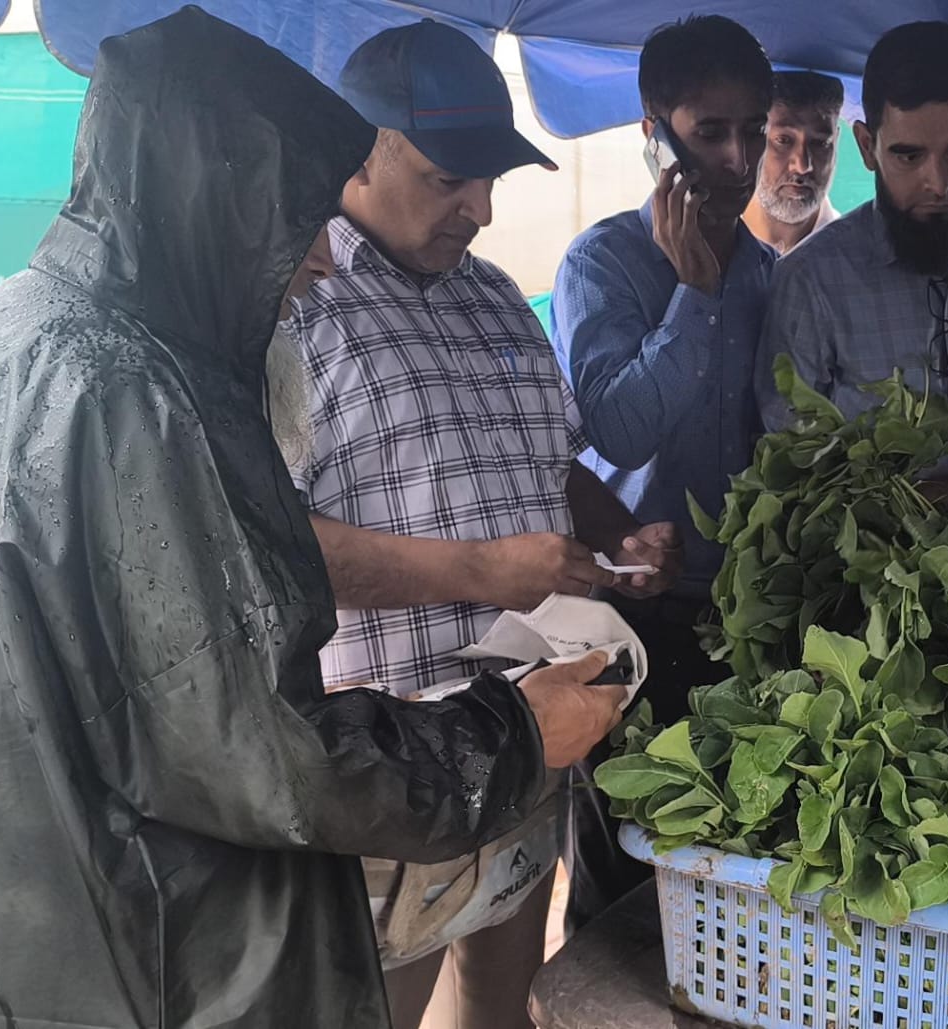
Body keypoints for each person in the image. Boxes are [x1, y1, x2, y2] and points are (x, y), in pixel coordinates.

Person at [0, 9, 626, 1029]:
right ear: (216, 201)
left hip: (69, 915)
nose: (320, 259)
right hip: (154, 936)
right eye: (297, 219)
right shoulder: (134, 395)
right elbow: (249, 745)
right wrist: (506, 733)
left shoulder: (12, 334)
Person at [288, 20, 681, 1029]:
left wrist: (615, 537)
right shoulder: (296, 306)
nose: (482, 206)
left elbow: (546, 465)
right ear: (357, 148)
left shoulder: (497, 298)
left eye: (493, 176)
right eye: (449, 175)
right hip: (389, 764)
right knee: (375, 1007)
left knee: (502, 1005)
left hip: (525, 735)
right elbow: (265, 549)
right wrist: (476, 568)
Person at [549, 12, 774, 931]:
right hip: (627, 608)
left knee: (724, 861)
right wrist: (695, 294)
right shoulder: (601, 265)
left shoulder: (769, 271)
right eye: (707, 132)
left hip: (747, 614)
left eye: (750, 132)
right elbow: (618, 427)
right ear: (654, 134)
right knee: (618, 865)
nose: (735, 158)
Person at [756, 21, 948, 474]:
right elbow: (792, 461)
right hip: (860, 544)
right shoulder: (811, 279)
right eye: (909, 156)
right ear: (867, 147)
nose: (939, 183)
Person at [743, 70, 844, 255]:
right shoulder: (702, 246)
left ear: (836, 143)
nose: (803, 166)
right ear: (752, 139)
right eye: (783, 140)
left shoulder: (857, 257)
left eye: (820, 143)